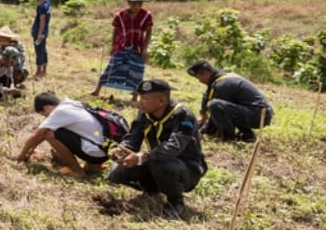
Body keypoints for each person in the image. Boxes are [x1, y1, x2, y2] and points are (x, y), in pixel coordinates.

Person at [108, 79, 207, 219]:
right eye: (140, 97)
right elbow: (133, 137)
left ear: (162, 101)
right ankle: (152, 189)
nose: (140, 101)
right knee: (117, 173)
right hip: (157, 162)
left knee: (159, 160)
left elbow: (173, 147)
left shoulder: (183, 115)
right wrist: (122, 150)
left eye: (145, 98)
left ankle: (175, 202)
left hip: (187, 169)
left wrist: (142, 157)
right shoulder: (145, 113)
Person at [14, 93, 110, 178]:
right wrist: (31, 150)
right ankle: (94, 166)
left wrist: (21, 156)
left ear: (46, 108)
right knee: (53, 131)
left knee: (49, 134)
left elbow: (37, 135)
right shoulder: (71, 104)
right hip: (106, 151)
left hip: (97, 154)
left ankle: (77, 171)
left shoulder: (59, 112)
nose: (46, 117)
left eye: (44, 115)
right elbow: (40, 135)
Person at [187, 60, 273, 142]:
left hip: (259, 115)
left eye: (199, 78)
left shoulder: (223, 84)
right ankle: (248, 134)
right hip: (255, 112)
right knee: (225, 107)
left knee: (215, 105)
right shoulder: (220, 78)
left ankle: (229, 137)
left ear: (206, 73)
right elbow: (207, 95)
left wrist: (204, 131)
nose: (199, 81)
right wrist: (203, 114)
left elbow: (217, 111)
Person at [92, 0, 153, 100]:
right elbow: (115, 31)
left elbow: (148, 32)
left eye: (139, 4)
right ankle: (97, 90)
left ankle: (134, 96)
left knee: (137, 71)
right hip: (121, 46)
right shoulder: (120, 15)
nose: (136, 6)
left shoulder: (146, 15)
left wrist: (145, 49)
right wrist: (113, 45)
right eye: (133, 4)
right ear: (129, 3)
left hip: (137, 48)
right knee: (111, 67)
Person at [30, 0, 51, 78]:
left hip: (39, 32)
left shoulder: (41, 7)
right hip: (45, 32)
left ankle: (39, 71)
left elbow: (42, 21)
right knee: (43, 50)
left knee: (38, 51)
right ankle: (44, 70)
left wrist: (39, 34)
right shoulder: (47, 2)